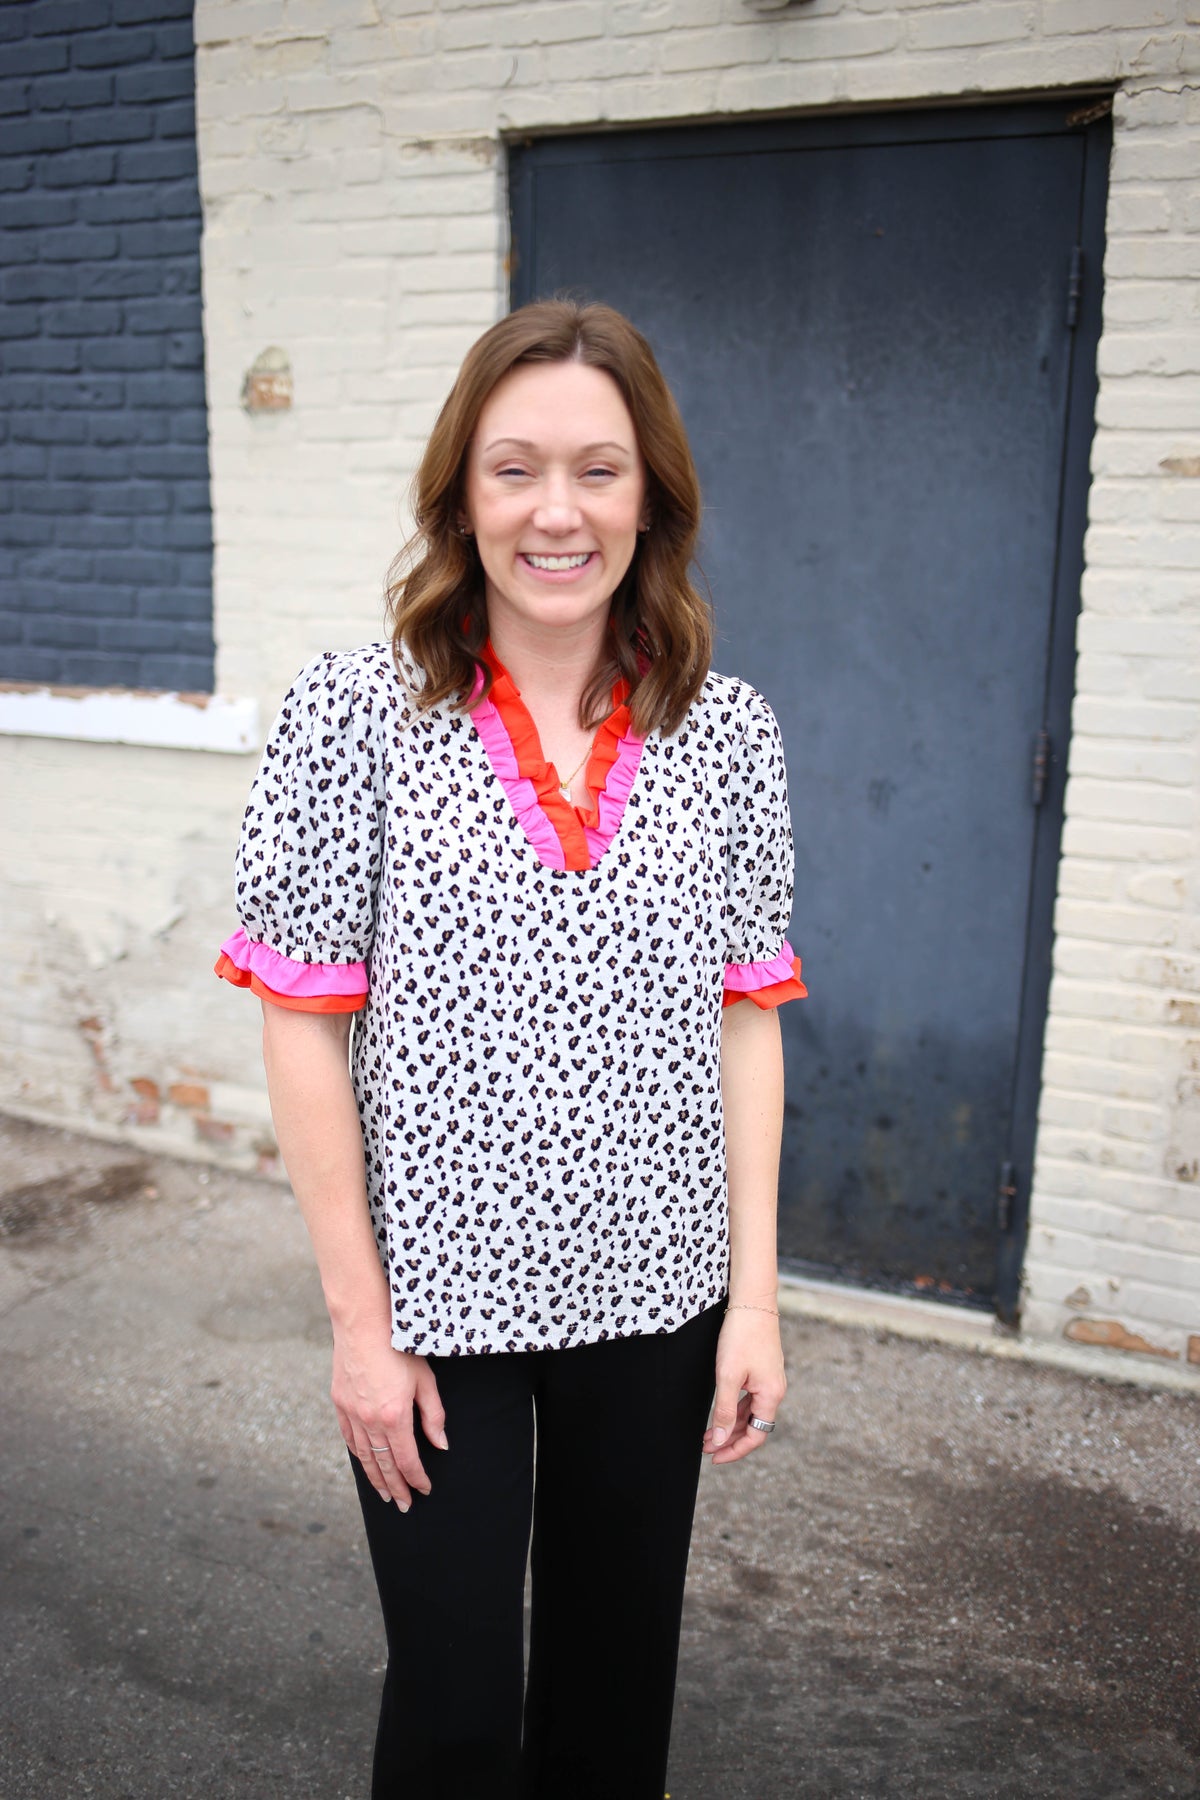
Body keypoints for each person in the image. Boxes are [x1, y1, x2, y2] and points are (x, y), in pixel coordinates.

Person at [214, 298, 806, 1800]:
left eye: (599, 471)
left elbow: (746, 1021)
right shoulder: (355, 713)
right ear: (460, 496)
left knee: (615, 1701)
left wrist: (752, 1303)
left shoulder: (729, 732)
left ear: (651, 497)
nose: (558, 512)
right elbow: (302, 1024)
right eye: (515, 469)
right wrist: (359, 1327)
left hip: (658, 1299)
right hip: (434, 1312)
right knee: (456, 1710)